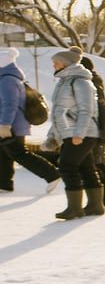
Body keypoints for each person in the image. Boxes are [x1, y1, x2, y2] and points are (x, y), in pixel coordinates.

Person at [47, 47, 103, 220]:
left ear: (66, 63)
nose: (54, 66)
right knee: (86, 167)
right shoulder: (64, 81)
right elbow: (59, 111)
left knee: (66, 166)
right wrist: (53, 135)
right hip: (70, 132)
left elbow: (87, 110)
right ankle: (95, 206)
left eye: (56, 63)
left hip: (81, 133)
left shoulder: (80, 82)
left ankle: (74, 208)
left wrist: (79, 133)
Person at [0, 47, 61, 194]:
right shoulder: (9, 78)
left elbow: (10, 104)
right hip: (13, 124)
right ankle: (4, 184)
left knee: (19, 153)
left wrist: (5, 125)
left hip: (12, 126)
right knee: (3, 153)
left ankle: (52, 174)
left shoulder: (7, 80)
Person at [80, 56, 105, 208]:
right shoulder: (95, 80)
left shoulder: (90, 83)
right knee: (98, 161)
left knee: (93, 162)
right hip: (97, 126)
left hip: (94, 126)